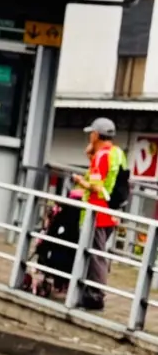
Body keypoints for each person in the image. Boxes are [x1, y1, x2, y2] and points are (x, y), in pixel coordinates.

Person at [71, 117, 127, 311]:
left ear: (96, 134)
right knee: (97, 253)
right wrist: (90, 157)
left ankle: (95, 296)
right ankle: (91, 292)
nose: (89, 136)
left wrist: (79, 180)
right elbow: (111, 179)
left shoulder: (101, 156)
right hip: (110, 211)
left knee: (95, 255)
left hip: (96, 211)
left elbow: (95, 186)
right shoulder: (118, 153)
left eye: (91, 133)